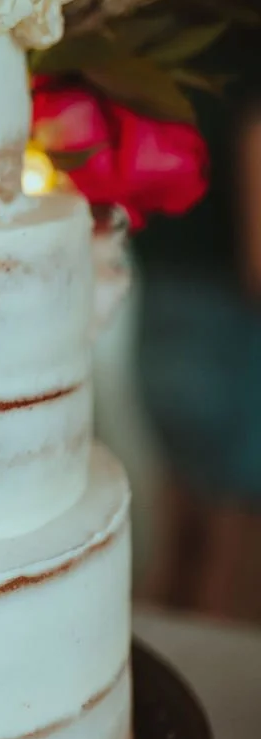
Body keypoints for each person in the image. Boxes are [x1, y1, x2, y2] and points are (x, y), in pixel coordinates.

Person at [136, 33, 261, 621]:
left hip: (157, 314)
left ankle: (138, 685)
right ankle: (208, 704)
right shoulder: (248, 63)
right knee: (229, 560)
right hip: (229, 332)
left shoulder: (166, 54)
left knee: (177, 540)